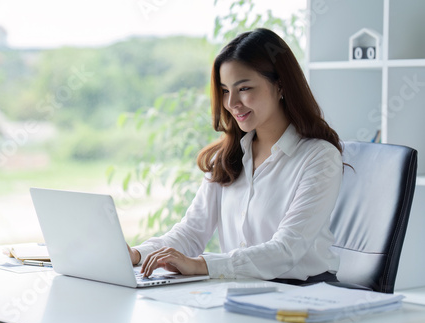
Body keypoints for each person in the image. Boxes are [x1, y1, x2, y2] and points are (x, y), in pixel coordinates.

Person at [127, 28, 344, 285]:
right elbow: (192, 232)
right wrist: (136, 254)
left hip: (304, 295)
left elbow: (286, 250)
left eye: (244, 88)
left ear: (280, 86)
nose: (232, 103)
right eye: (225, 91)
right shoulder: (228, 157)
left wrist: (200, 265)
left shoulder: (319, 158)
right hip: (240, 289)